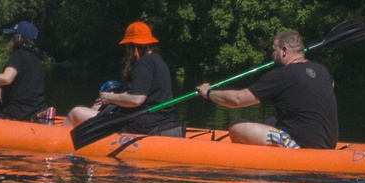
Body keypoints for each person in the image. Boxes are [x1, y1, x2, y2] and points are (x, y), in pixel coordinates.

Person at [198, 28, 339, 149]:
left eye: (274, 50)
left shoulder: (282, 75)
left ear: (284, 50)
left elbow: (238, 100)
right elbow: (328, 87)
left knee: (236, 126)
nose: (272, 55)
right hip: (329, 142)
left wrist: (209, 93)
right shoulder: (323, 70)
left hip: (302, 145)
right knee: (272, 121)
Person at [65, 21, 184, 136]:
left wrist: (109, 97)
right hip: (160, 121)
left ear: (133, 47)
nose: (126, 51)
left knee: (75, 113)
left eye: (127, 47)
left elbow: (136, 99)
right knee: (99, 108)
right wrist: (111, 101)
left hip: (142, 125)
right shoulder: (159, 61)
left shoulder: (144, 62)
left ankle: (58, 141)